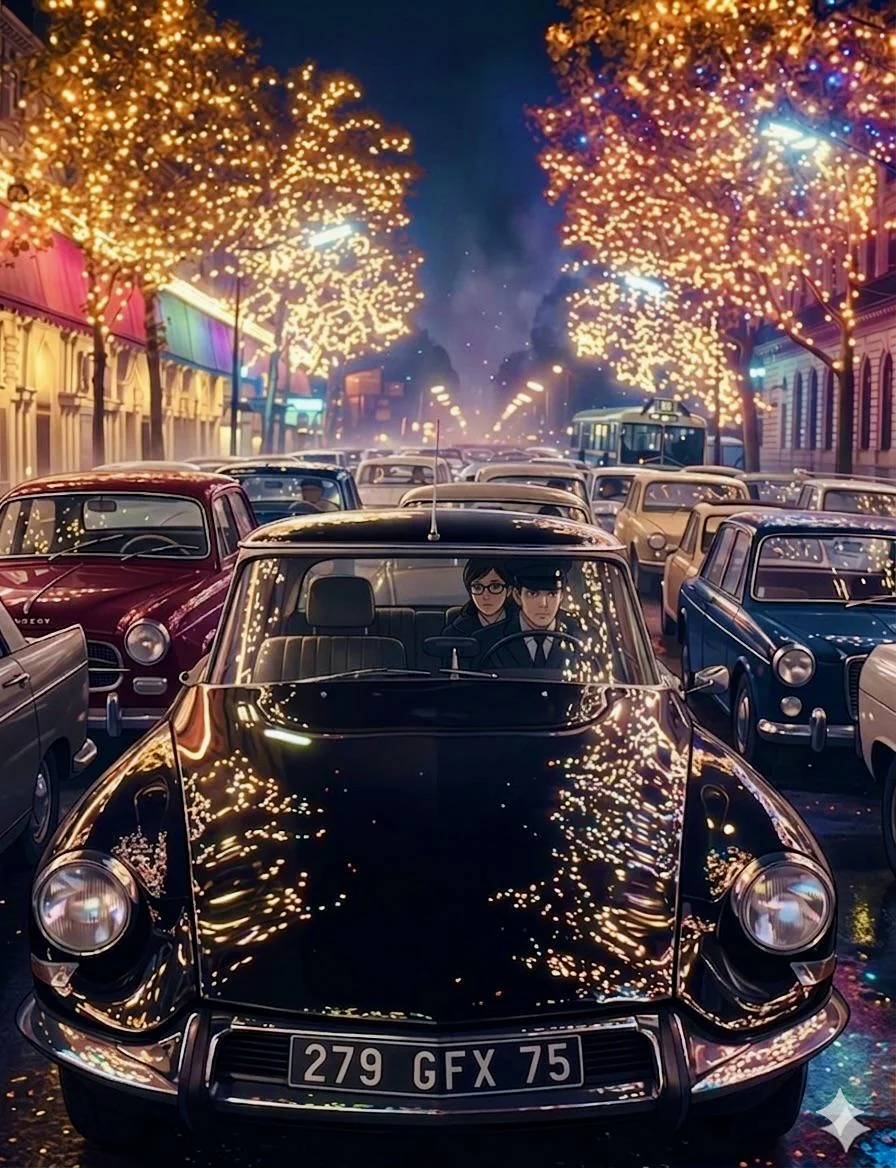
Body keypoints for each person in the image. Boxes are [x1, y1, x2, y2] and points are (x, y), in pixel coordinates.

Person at [475, 559, 581, 669]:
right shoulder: (487, 640)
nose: (543, 604)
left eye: (552, 594)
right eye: (533, 594)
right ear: (517, 596)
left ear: (562, 596)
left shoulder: (583, 640)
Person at [442, 559, 514, 636]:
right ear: (470, 591)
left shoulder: (521, 626)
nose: (486, 596)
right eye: (477, 587)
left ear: (509, 590)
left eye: (495, 587)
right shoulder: (456, 631)